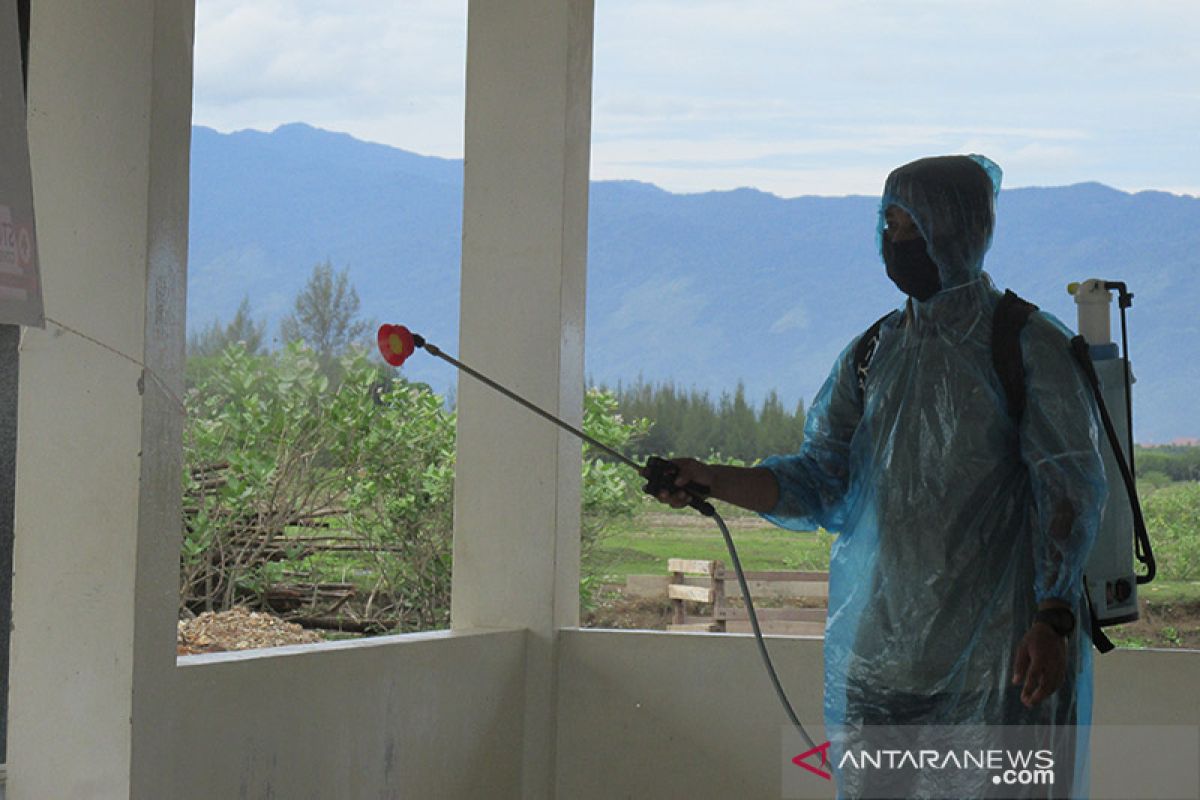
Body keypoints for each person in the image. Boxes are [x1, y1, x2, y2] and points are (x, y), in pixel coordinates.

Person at [647, 155, 1106, 798]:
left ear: (957, 228)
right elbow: (817, 480)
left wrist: (1052, 618)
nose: (893, 243)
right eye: (886, 226)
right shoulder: (873, 354)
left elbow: (1070, 493)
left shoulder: (1028, 348)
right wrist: (710, 479)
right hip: (883, 664)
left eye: (909, 225)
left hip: (1001, 667)